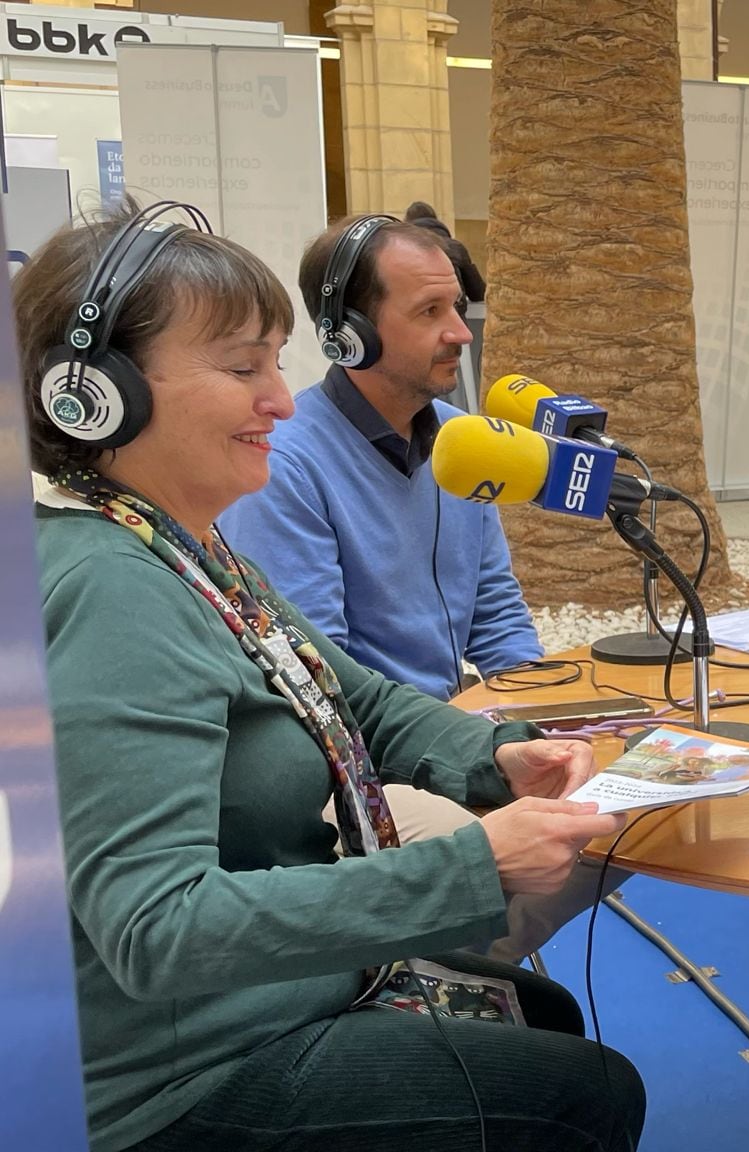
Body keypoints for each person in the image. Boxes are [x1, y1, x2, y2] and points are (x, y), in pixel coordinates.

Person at [23, 204, 644, 1151]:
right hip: (182, 1073)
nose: (281, 397)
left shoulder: (183, 547)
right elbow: (156, 930)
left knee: (544, 1015)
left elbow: (348, 693)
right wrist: (470, 864)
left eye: (277, 361)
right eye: (242, 368)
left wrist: (498, 755)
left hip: (268, 1000)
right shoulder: (116, 590)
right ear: (93, 394)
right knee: (590, 1090)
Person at [216, 214, 608, 964]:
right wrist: (466, 753)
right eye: (429, 312)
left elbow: (496, 613)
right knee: (561, 847)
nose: (460, 332)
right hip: (363, 761)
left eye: (457, 308)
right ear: (349, 335)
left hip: (457, 735)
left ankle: (460, 984)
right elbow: (323, 682)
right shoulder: (289, 466)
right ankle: (428, 990)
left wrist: (538, 723)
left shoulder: (465, 444)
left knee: (616, 803)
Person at [403, 199, 487, 304]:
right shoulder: (456, 247)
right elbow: (478, 293)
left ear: (407, 222)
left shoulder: (402, 250)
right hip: (454, 314)